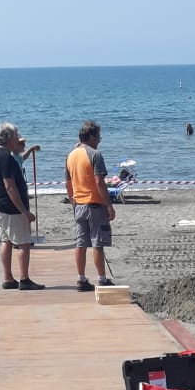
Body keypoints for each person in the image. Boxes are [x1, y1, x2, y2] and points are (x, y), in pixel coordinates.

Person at [0, 122, 44, 290]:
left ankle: (8, 278)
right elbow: (10, 186)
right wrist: (24, 211)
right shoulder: (6, 157)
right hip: (11, 208)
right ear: (9, 138)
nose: (18, 139)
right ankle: (24, 279)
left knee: (6, 241)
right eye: (16, 135)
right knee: (24, 243)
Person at [65, 120, 115, 292]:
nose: (100, 140)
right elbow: (99, 182)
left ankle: (81, 278)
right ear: (92, 137)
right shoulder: (95, 154)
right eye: (98, 137)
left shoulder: (71, 155)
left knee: (80, 243)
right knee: (97, 242)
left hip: (79, 204)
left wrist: (73, 202)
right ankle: (102, 278)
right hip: (94, 204)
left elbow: (68, 184)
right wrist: (109, 205)